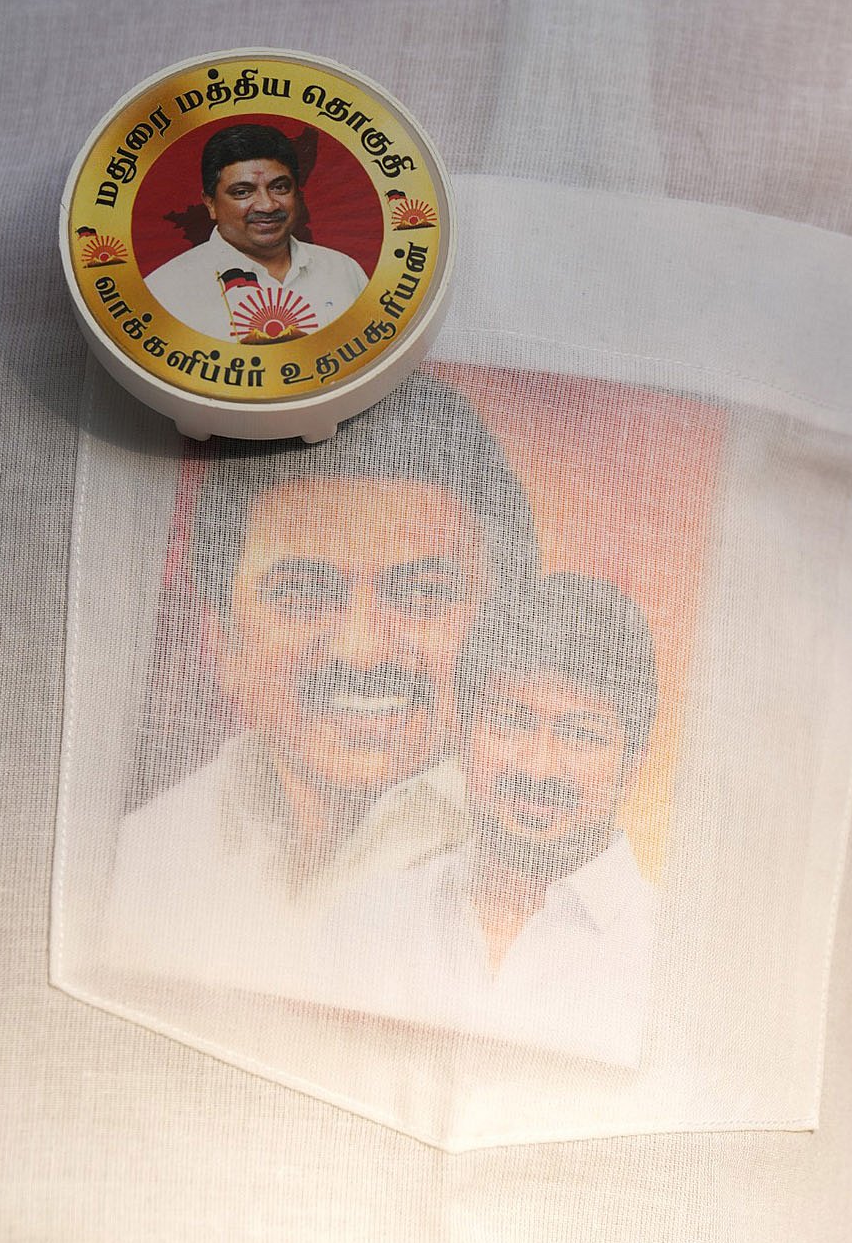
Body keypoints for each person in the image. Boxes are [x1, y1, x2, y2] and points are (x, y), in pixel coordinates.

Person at [102, 372, 541, 984]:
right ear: (223, 640)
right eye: (303, 593)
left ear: (508, 632)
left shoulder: (563, 889)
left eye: (421, 595)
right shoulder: (145, 853)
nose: (363, 652)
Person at [311, 572, 660, 1066]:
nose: (539, 765)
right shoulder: (367, 922)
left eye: (581, 734)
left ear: (634, 761)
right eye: (511, 721)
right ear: (461, 729)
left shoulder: (671, 961)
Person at [144, 122, 368, 342]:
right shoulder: (165, 290)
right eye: (242, 192)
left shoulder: (343, 270)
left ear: (297, 194)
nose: (267, 205)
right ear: (210, 203)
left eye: (279, 187)